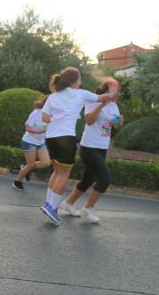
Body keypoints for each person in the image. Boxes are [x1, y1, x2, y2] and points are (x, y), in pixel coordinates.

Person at [40, 67, 115, 226]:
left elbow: (45, 118)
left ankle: (48, 203)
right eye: (80, 80)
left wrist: (58, 118)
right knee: (63, 174)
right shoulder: (81, 94)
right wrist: (112, 93)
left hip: (51, 138)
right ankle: (52, 207)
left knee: (56, 171)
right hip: (66, 138)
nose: (81, 83)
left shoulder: (52, 97)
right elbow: (101, 98)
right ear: (74, 82)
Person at [59, 79, 123, 223]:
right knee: (105, 180)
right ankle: (88, 209)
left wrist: (119, 121)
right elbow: (89, 121)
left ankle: (68, 203)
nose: (119, 94)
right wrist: (102, 104)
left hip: (102, 147)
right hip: (89, 147)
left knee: (88, 180)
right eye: (117, 91)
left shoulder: (114, 106)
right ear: (108, 92)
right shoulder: (92, 101)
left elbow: (115, 127)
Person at [12, 95, 51, 191]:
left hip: (41, 142)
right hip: (29, 142)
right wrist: (38, 131)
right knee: (30, 165)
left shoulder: (52, 115)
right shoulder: (36, 113)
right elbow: (28, 128)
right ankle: (17, 182)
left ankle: (25, 169)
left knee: (46, 163)